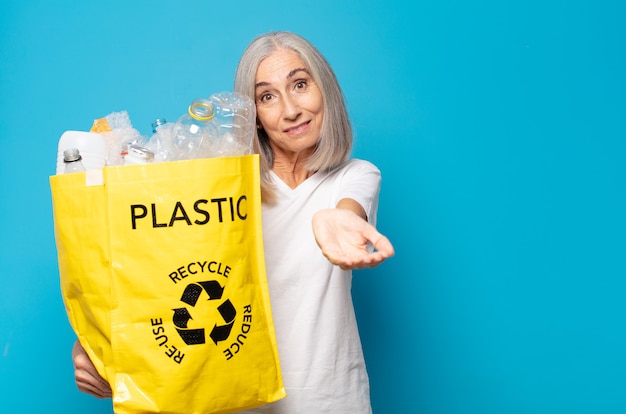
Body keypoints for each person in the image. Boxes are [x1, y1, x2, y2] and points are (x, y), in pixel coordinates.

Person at [72, 31, 395, 413]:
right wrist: (96, 338)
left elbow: (347, 210)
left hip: (333, 400)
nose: (290, 110)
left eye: (300, 84)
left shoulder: (356, 176)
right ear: (252, 115)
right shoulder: (225, 193)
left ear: (326, 89)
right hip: (238, 402)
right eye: (267, 96)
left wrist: (336, 220)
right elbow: (159, 269)